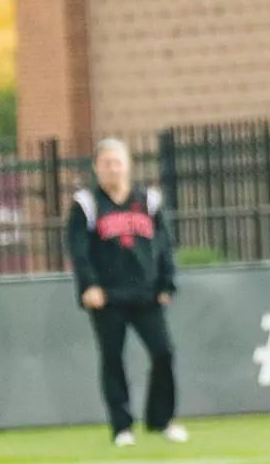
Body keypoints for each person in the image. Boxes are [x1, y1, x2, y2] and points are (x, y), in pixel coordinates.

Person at [66, 137, 186, 447]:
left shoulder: (149, 201)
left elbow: (164, 245)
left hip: (146, 294)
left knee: (164, 352)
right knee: (112, 358)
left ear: (128, 165)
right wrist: (89, 286)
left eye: (118, 161)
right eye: (106, 162)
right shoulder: (87, 205)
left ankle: (161, 419)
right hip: (107, 296)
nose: (113, 168)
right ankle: (122, 426)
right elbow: (79, 251)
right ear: (96, 167)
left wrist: (166, 283)